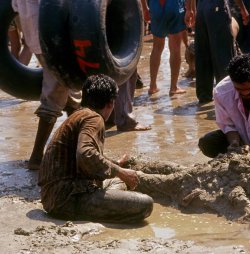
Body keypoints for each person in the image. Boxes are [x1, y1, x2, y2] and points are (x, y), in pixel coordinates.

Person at [38, 74, 153, 223]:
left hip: (51, 197)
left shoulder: (78, 115)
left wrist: (114, 164)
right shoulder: (94, 118)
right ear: (111, 103)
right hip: (67, 199)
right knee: (145, 204)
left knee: (117, 182)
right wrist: (120, 171)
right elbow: (85, 153)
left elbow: (81, 157)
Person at [12, 0, 82, 170]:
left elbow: (14, 7)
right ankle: (36, 157)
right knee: (55, 94)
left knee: (72, 94)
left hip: (36, 39)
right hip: (54, 40)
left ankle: (76, 150)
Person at [185, 0, 249, 104]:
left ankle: (204, 96)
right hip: (217, 7)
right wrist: (243, 8)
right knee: (223, 57)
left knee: (203, 55)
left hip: (201, 9)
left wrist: (189, 9)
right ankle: (226, 98)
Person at [141, 0, 187, 96]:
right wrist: (190, 9)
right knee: (175, 48)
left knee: (157, 48)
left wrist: (145, 8)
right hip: (173, 4)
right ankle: (173, 87)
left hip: (155, 4)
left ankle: (152, 86)